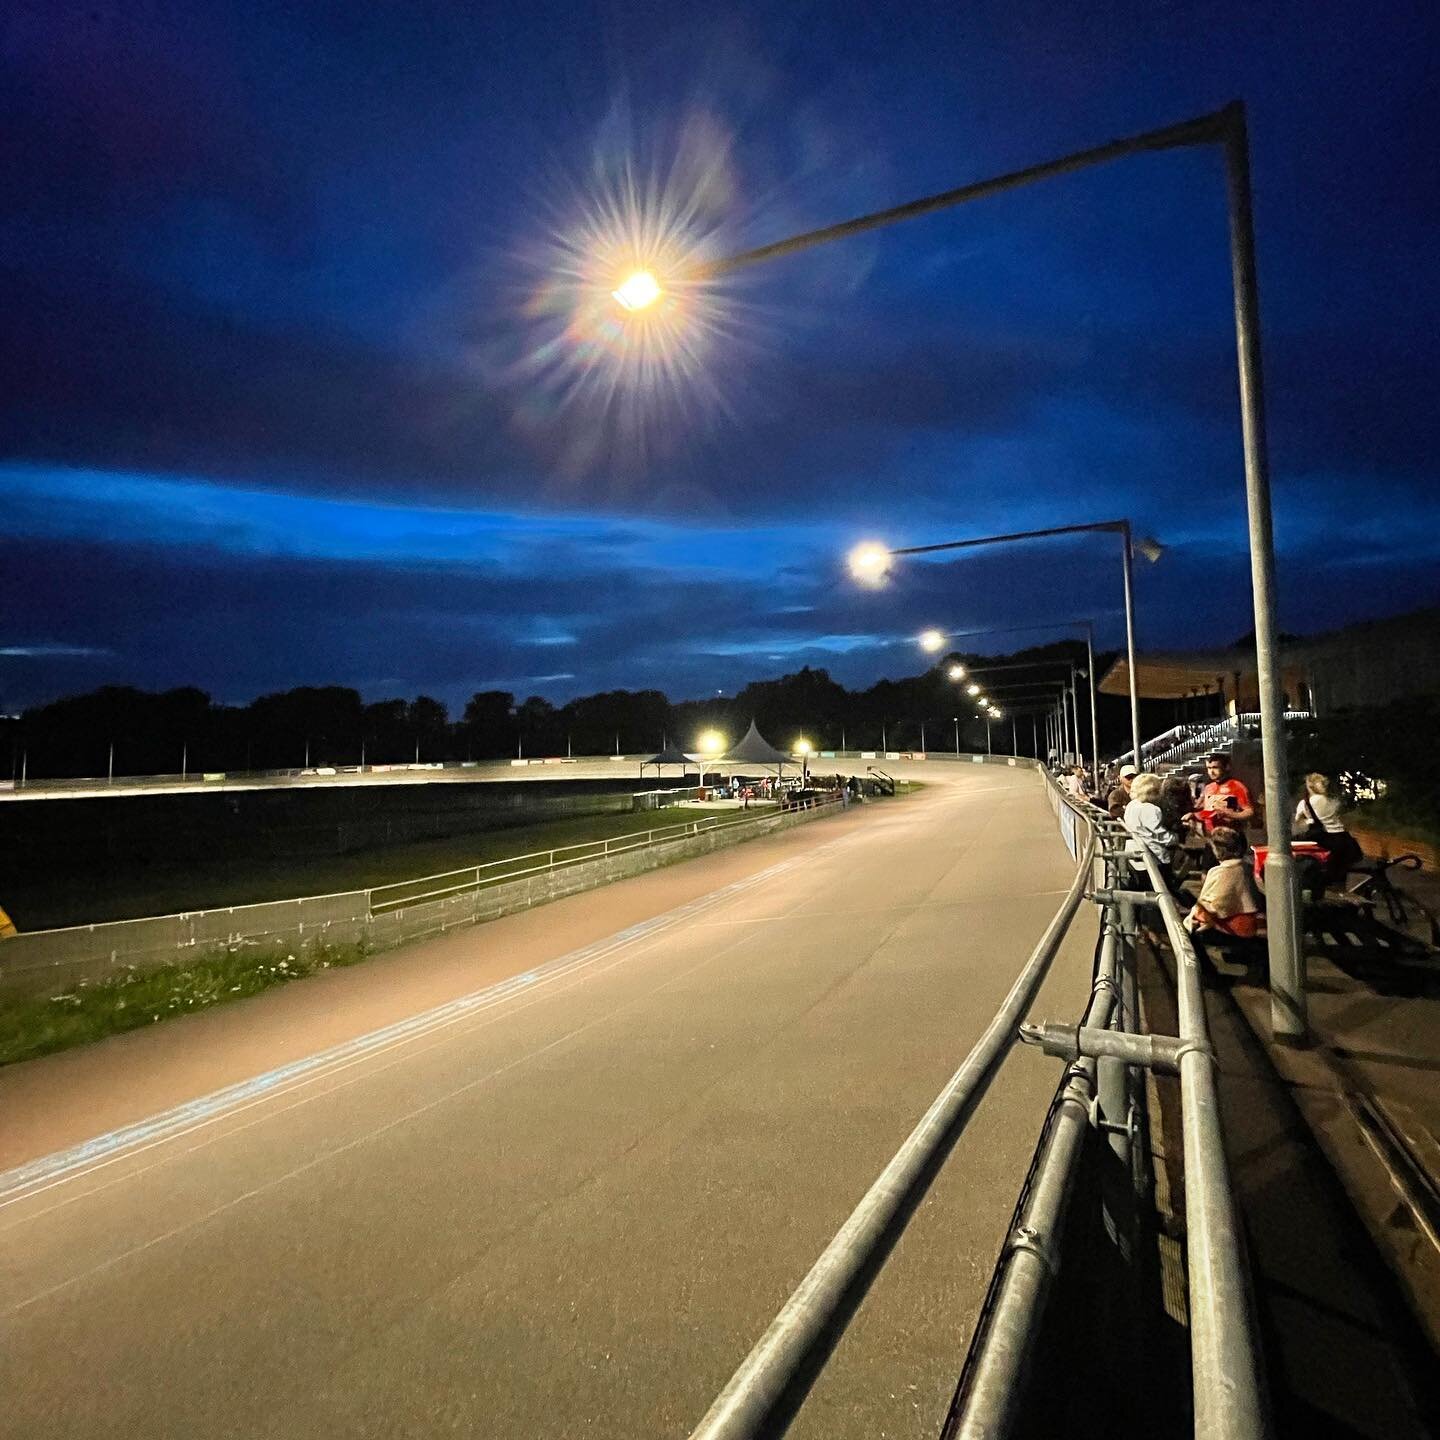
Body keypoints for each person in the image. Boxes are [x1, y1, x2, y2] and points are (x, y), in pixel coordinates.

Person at [1184, 825, 1261, 937]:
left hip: (1231, 928)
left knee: (1191, 934)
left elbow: (1217, 904)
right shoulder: (1246, 867)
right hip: (1249, 924)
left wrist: (1194, 917)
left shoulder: (1223, 871)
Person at [1293, 772, 1362, 884]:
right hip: (1343, 838)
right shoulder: (1333, 801)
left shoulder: (1304, 803)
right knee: (1342, 870)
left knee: (1327, 870)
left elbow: (1298, 821)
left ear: (1309, 786)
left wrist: (1310, 820)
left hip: (1326, 838)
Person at [1124, 773, 1180, 887]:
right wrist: (1175, 838)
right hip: (1154, 858)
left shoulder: (1131, 805)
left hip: (1134, 854)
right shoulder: (1151, 809)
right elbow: (1160, 835)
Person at [1192, 753, 1254, 835]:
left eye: (1215, 767)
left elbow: (1249, 812)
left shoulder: (1237, 786)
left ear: (1226, 767)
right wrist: (1194, 815)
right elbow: (1207, 811)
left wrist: (1232, 815)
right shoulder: (1208, 787)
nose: (1211, 772)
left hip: (1231, 837)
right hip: (1211, 837)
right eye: (1209, 768)